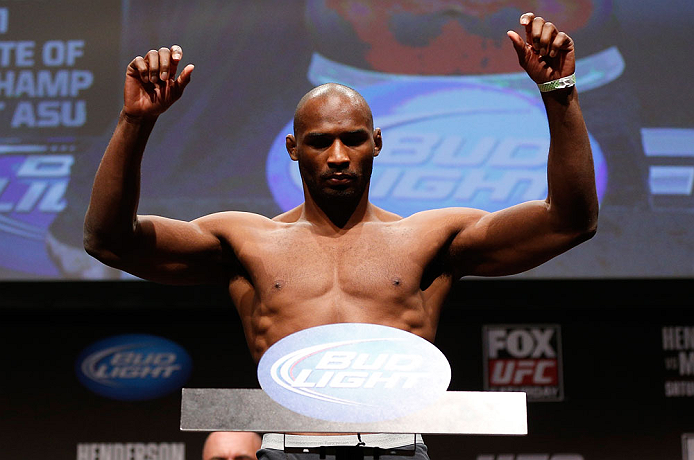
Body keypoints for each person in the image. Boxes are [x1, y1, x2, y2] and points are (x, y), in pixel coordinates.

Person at [83, 12, 597, 460]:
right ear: (291, 148)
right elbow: (109, 240)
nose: (336, 157)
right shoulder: (246, 241)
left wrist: (559, 93)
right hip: (287, 450)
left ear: (376, 143)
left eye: (352, 140)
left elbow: (570, 220)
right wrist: (135, 121)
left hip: (395, 449)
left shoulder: (430, 237)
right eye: (319, 142)